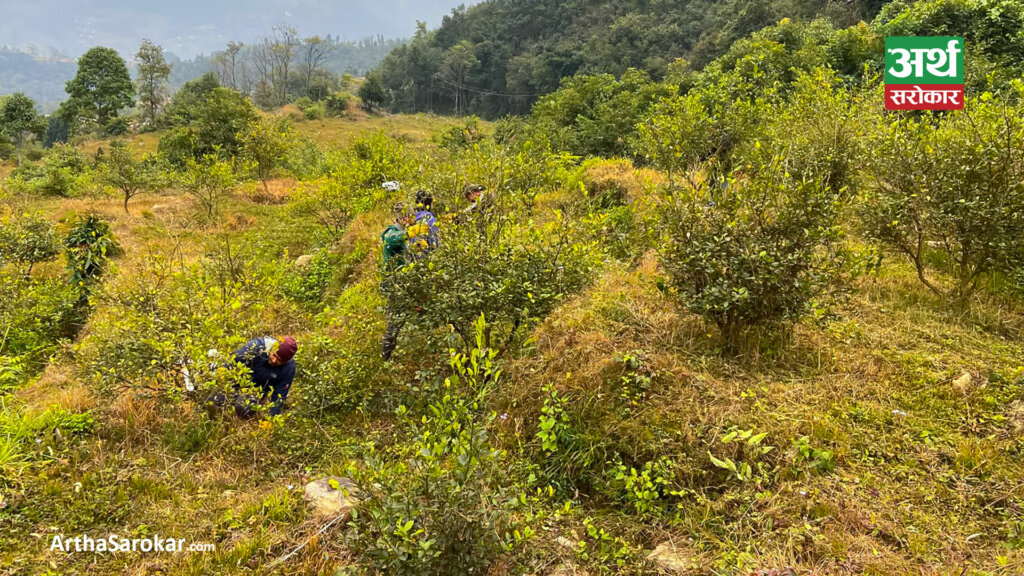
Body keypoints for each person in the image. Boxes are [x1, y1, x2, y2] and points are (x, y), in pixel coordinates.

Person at [227, 336, 298, 418]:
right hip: (234, 382)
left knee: (244, 408)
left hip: (254, 392)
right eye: (274, 355)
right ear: (273, 347)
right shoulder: (256, 347)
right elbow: (231, 363)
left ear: (286, 362)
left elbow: (279, 396)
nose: (274, 360)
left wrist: (271, 420)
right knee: (214, 400)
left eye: (280, 360)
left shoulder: (289, 368)